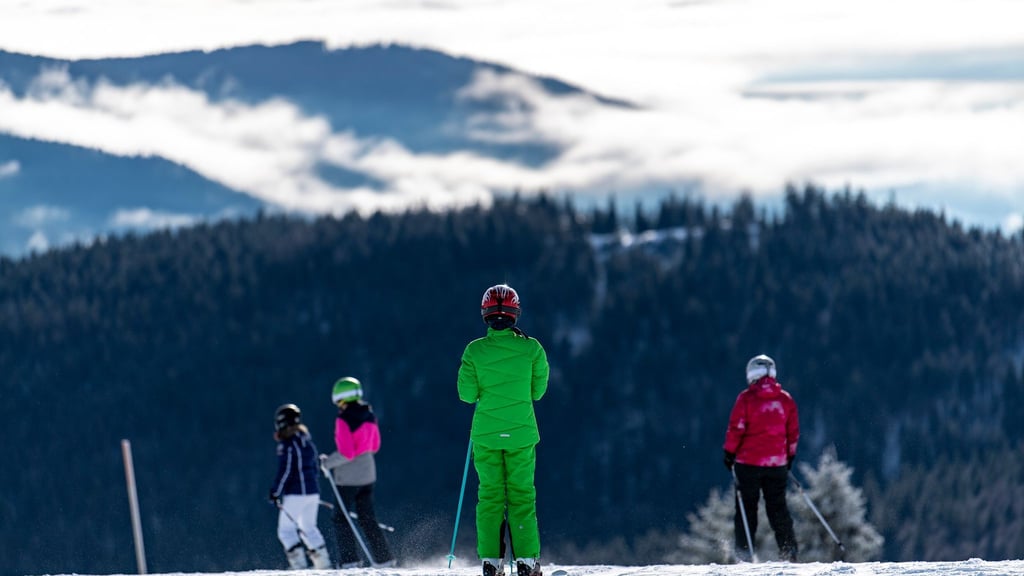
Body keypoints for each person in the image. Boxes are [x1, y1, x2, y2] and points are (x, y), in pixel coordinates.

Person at [458, 284, 549, 576]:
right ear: (515, 313)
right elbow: (538, 392)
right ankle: (527, 562)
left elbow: (466, 395)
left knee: (490, 497)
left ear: (485, 314)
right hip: (521, 434)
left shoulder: (474, 351)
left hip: (486, 435)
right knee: (522, 496)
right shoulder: (532, 348)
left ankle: (491, 562)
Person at [723, 354, 800, 563]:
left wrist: (729, 454)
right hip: (777, 464)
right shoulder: (785, 399)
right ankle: (789, 551)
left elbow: (736, 429)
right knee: (778, 508)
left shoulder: (746, 398)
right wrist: (789, 456)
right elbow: (792, 433)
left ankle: (744, 554)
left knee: (747, 509)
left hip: (748, 464)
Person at [320, 376, 396, 568]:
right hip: (368, 473)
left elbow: (347, 452)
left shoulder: (343, 419)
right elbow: (375, 445)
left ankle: (349, 561)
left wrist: (327, 463)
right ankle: (384, 558)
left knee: (341, 517)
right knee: (367, 518)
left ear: (340, 398)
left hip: (348, 477)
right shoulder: (369, 415)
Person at [269, 403, 332, 569]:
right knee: (309, 528)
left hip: (296, 494)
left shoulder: (287, 445)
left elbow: (286, 470)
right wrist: (312, 489)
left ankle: (299, 567)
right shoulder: (306, 441)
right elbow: (314, 467)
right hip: (312, 492)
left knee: (286, 531)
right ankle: (324, 566)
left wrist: (275, 492)